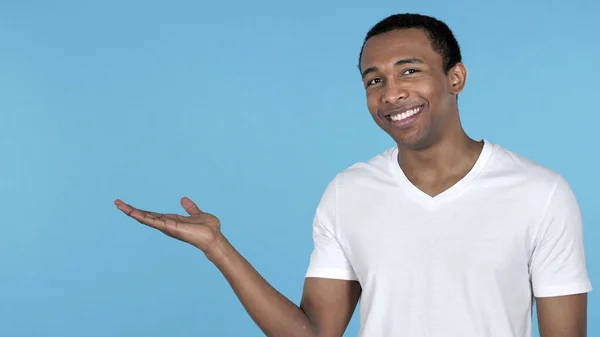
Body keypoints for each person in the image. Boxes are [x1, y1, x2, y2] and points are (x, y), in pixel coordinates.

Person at [114, 13, 592, 337]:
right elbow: (314, 333)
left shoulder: (540, 193)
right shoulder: (349, 193)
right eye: (374, 80)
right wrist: (218, 248)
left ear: (455, 78)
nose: (391, 93)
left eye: (410, 71)